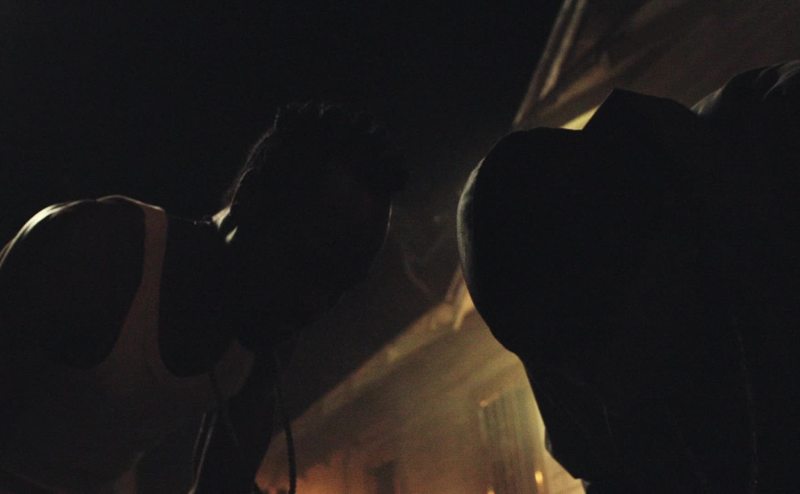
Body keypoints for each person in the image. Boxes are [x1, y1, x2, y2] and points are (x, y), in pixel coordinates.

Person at [0, 103, 404, 493]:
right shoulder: (94, 252)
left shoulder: (269, 330)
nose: (315, 303)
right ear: (249, 198)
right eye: (307, 262)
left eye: (341, 284)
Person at [458, 62, 799, 493]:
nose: (605, 391)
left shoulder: (780, 135)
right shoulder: (567, 363)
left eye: (604, 337)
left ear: (658, 234)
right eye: (569, 364)